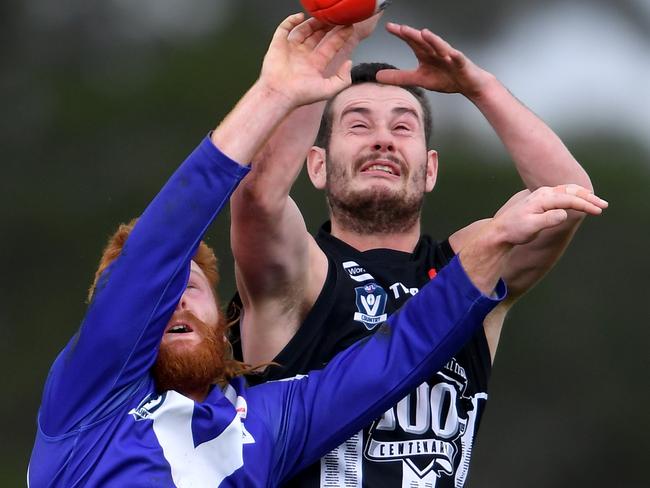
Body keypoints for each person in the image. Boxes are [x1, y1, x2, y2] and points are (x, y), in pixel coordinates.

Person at [24, 14, 556, 487]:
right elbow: (161, 249)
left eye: (193, 291)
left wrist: (483, 256)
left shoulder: (264, 424)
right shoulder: (88, 405)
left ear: (223, 319)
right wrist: (280, 91)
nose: (178, 304)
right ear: (317, 163)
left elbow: (387, 364)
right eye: (161, 299)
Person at [228, 18, 608, 487]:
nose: (382, 139)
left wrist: (479, 87)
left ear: (430, 170)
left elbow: (568, 197)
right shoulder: (301, 274)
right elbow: (258, 198)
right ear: (318, 166)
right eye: (358, 124)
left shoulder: (470, 266)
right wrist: (314, 72)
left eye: (403, 127)